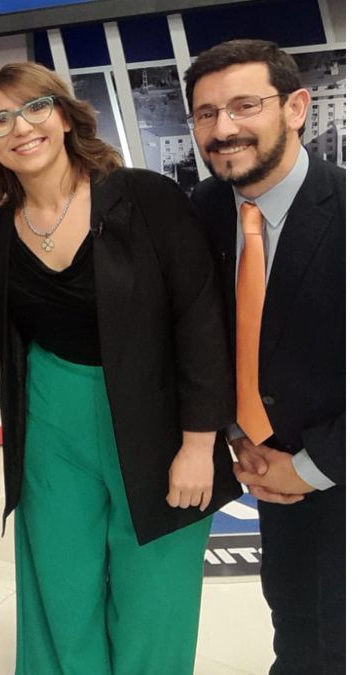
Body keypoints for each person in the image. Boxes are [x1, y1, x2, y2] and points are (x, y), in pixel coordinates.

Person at [0, 61, 241, 674]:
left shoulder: (146, 198)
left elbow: (199, 318)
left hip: (160, 423)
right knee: (62, 598)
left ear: (64, 116)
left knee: (154, 602)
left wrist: (200, 444)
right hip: (51, 427)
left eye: (35, 108)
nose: (21, 127)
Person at [184, 39, 345, 675]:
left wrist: (311, 466)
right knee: (299, 631)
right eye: (205, 113)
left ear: (298, 107)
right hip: (270, 478)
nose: (223, 129)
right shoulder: (201, 213)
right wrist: (235, 431)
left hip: (335, 472)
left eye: (245, 105)